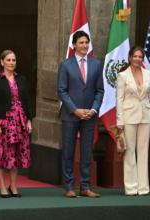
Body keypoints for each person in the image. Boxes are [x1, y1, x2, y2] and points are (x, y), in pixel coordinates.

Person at [57, 30, 104, 198]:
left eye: (87, 42)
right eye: (81, 42)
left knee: (86, 152)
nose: (85, 45)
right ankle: (69, 187)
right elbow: (61, 91)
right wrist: (75, 110)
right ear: (74, 45)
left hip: (90, 116)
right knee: (68, 152)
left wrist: (92, 110)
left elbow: (99, 91)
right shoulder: (65, 65)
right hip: (70, 115)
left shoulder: (96, 64)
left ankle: (85, 187)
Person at [0, 50, 32, 198]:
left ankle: (13, 185)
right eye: (8, 60)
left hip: (20, 121)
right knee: (1, 153)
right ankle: (2, 185)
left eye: (14, 60)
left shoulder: (22, 79)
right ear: (2, 62)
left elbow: (26, 101)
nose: (12, 62)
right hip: (3, 121)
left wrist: (29, 120)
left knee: (17, 153)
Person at [116, 46, 150, 196]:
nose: (137, 59)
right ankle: (130, 188)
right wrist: (119, 121)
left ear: (143, 59)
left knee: (143, 152)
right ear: (130, 58)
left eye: (140, 56)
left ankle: (143, 188)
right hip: (128, 117)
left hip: (146, 116)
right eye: (135, 56)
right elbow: (119, 100)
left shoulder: (149, 74)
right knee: (129, 152)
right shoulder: (123, 76)